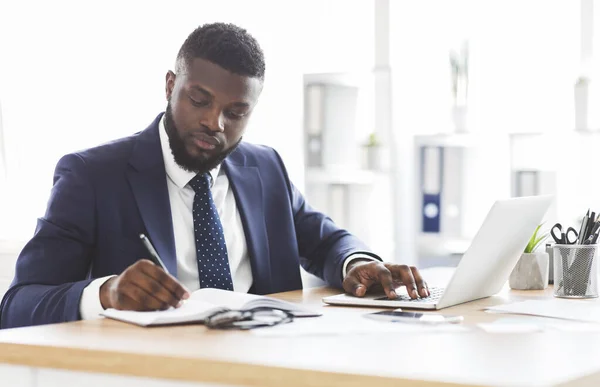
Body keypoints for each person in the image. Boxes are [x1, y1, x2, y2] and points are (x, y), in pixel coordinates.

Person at [0, 22, 428, 329]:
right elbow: (18, 305)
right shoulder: (93, 176)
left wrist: (361, 264)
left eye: (236, 112)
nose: (215, 123)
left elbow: (327, 242)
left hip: (270, 365)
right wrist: (106, 294)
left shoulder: (264, 168)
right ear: (171, 85)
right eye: (199, 100)